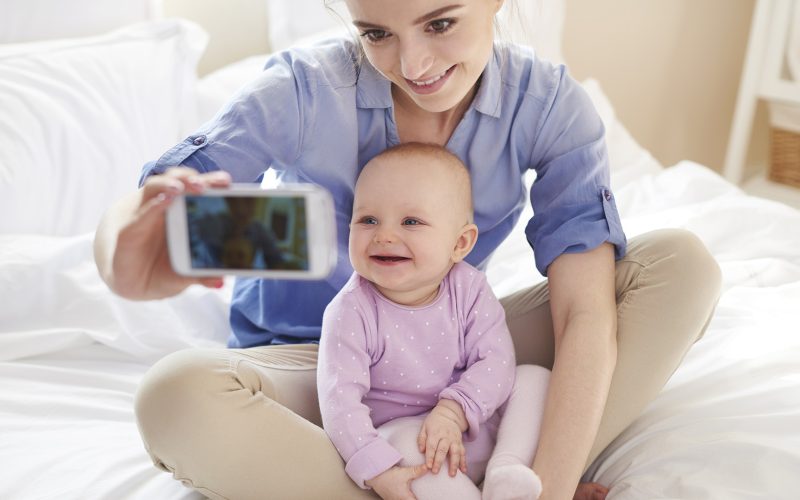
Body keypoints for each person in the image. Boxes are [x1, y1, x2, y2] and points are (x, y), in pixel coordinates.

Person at [93, 0, 722, 498]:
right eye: (376, 34)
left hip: (448, 359)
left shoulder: (548, 107)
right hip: (308, 375)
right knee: (176, 396)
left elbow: (582, 312)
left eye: (440, 22)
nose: (413, 63)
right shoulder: (305, 91)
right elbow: (159, 207)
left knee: (679, 267)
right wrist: (127, 249)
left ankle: (508, 487)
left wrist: (551, 489)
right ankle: (442, 490)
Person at [318, 143, 550, 500]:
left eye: (410, 221)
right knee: (404, 440)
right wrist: (379, 472)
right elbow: (339, 402)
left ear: (459, 243)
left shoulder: (469, 287)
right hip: (418, 450)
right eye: (368, 220)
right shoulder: (351, 311)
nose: (384, 235)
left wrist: (454, 411)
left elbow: (496, 360)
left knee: (534, 377)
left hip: (476, 424)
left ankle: (506, 470)